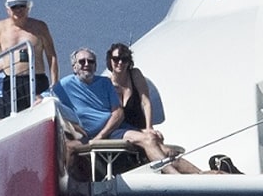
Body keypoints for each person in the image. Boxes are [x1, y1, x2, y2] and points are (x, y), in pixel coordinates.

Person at [52, 48, 203, 174]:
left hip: (115, 130)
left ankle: (181, 176)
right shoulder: (64, 85)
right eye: (82, 61)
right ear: (74, 66)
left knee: (151, 140)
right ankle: (70, 186)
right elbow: (44, 99)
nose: (86, 64)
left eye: (90, 61)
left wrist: (101, 136)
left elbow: (119, 113)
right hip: (87, 136)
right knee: (68, 148)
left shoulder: (105, 82)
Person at [0, 0, 60, 121]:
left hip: (37, 80)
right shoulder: (0, 27)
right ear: (8, 9)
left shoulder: (40, 27)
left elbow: (51, 55)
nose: (18, 10)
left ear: (28, 7)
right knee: (13, 119)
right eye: (14, 7)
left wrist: (55, 83)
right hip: (12, 82)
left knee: (40, 116)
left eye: (21, 6)